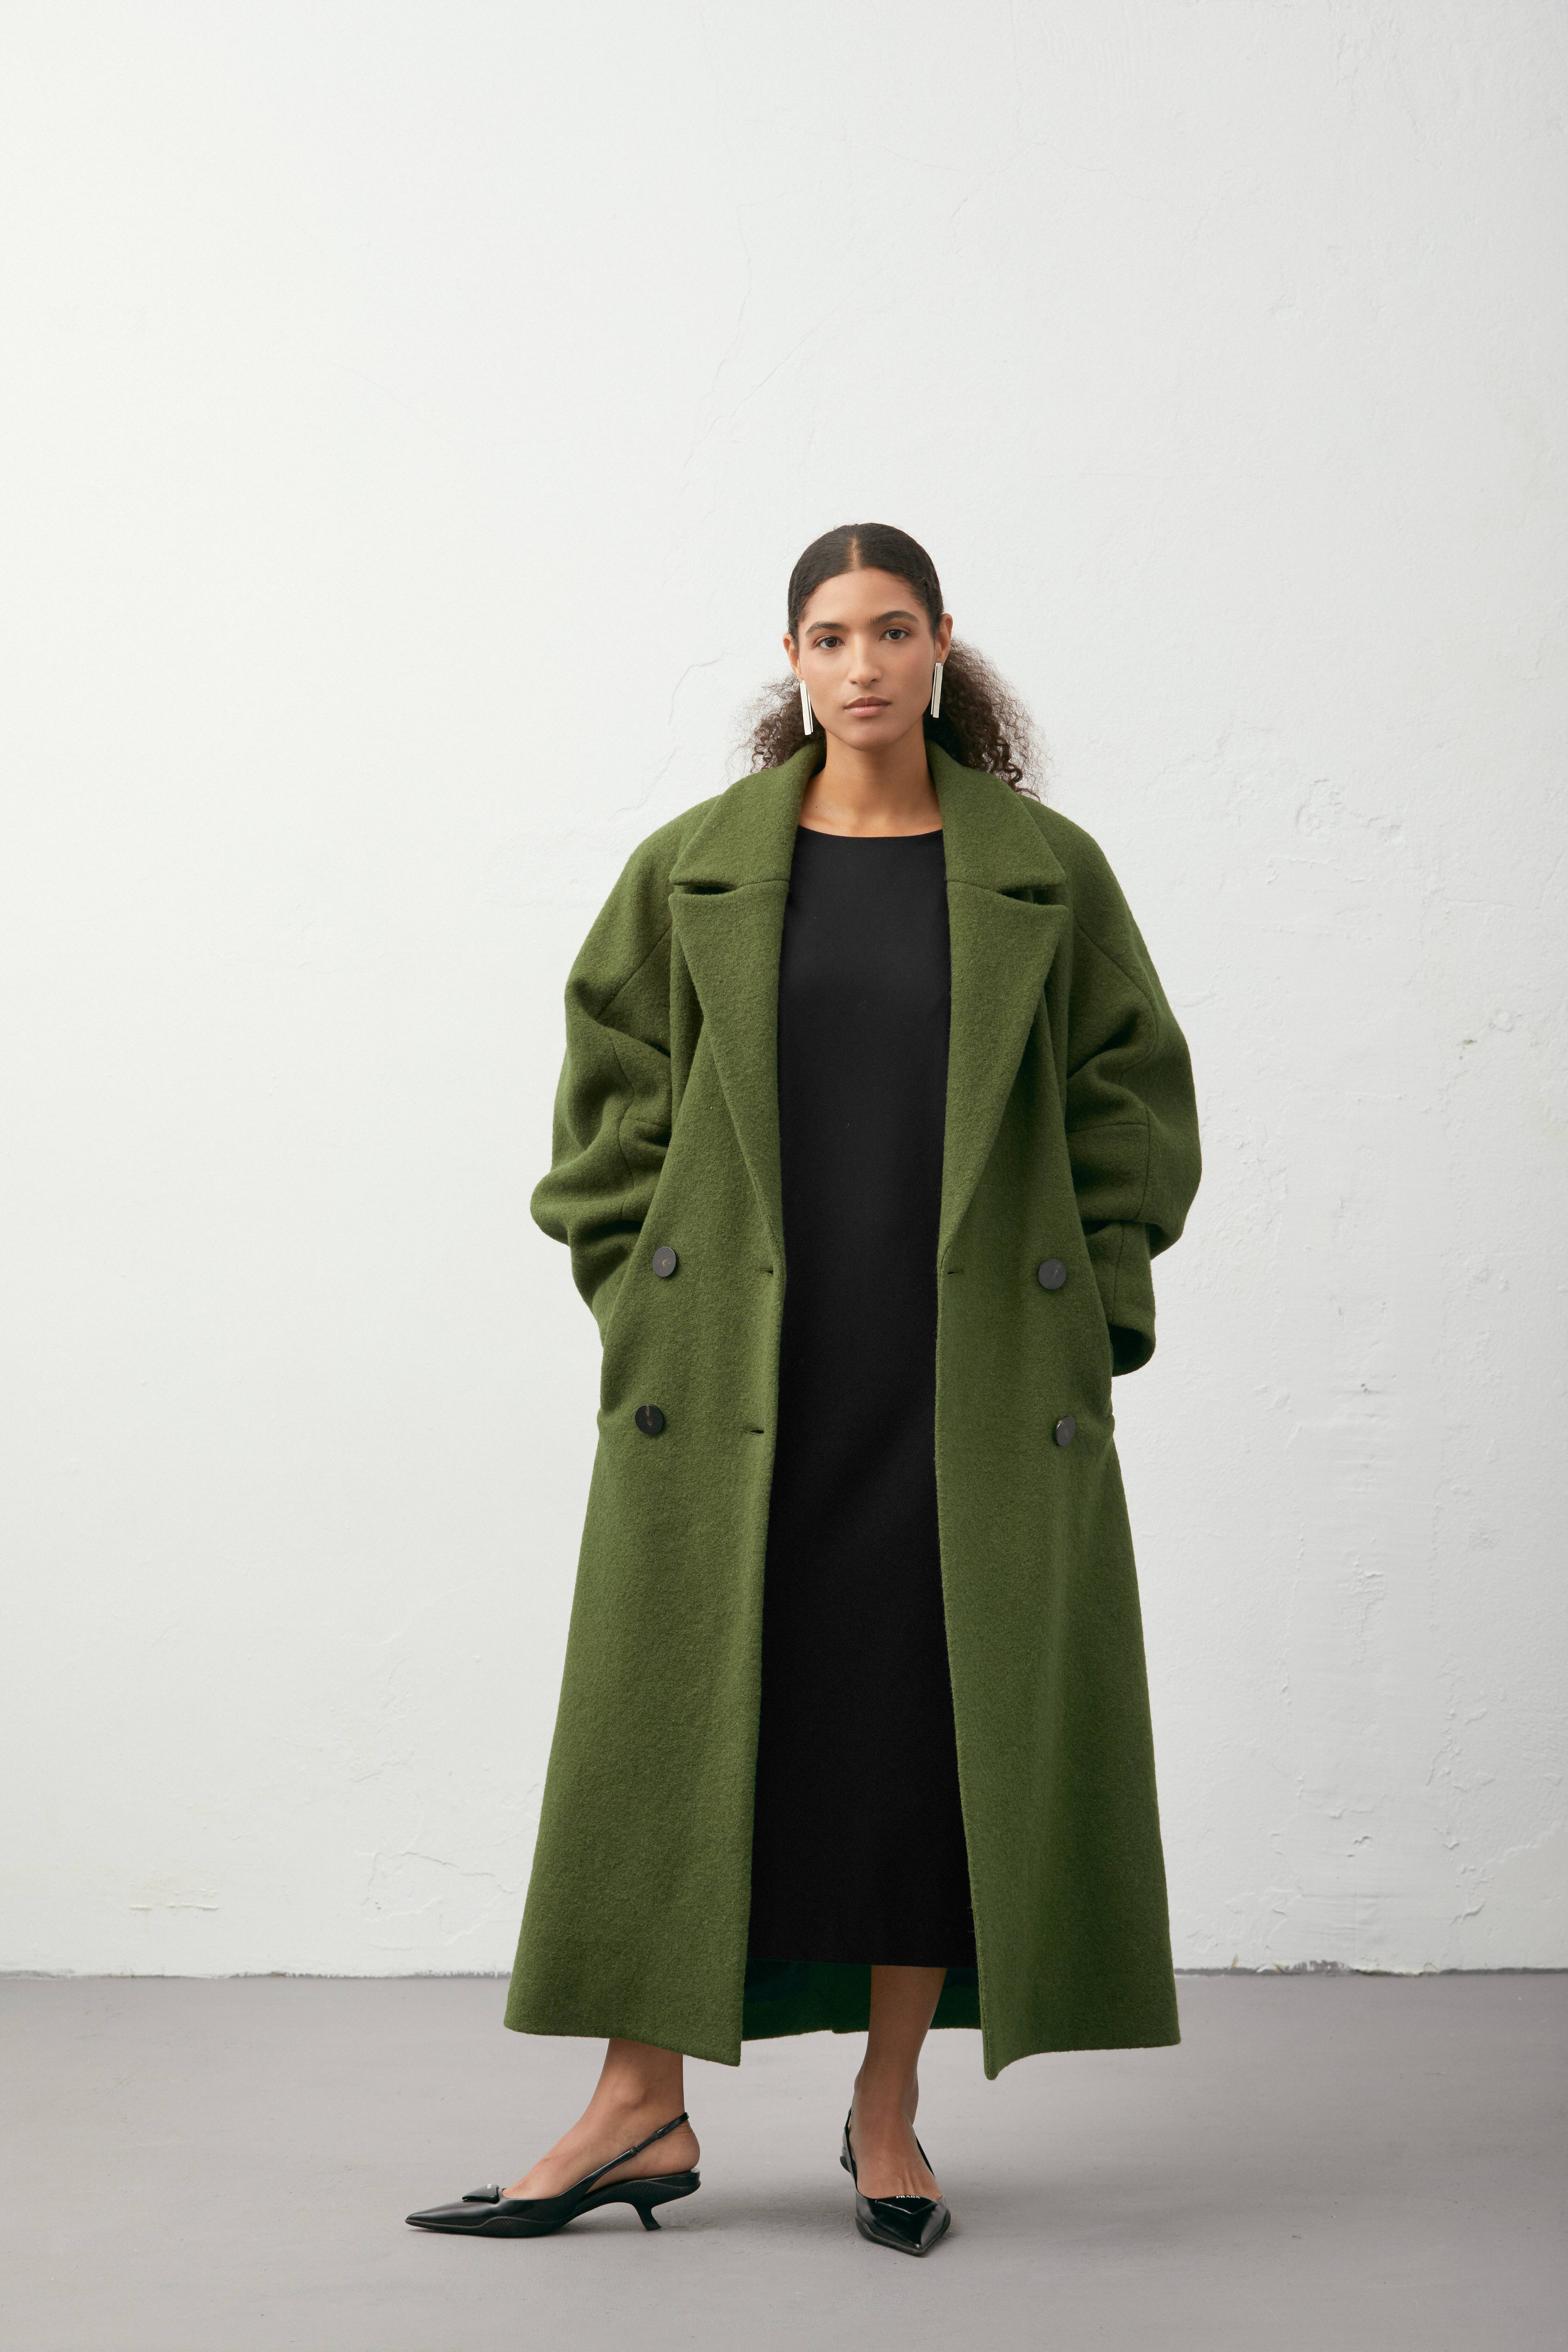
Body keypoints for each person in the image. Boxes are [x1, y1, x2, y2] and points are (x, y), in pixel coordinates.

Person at [407, 522, 1202, 2255]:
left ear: (941, 647)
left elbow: (1130, 1103)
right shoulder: (691, 869)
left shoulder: (1044, 874)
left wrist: (1092, 1315)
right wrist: (640, 1299)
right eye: (830, 636)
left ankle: (888, 2111)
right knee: (688, 1718)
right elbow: (609, 1105)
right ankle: (637, 2102)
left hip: (966, 1380)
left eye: (891, 631)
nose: (862, 664)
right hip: (741, 1374)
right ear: (793, 661)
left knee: (928, 1727)